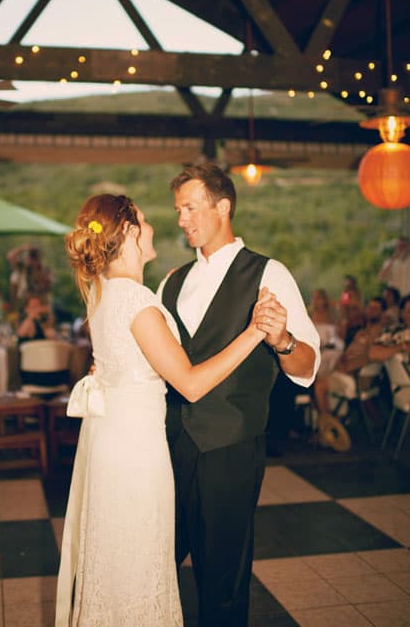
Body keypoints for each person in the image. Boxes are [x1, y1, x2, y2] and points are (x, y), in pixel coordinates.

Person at [55, 193, 280, 627]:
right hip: (136, 453)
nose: (156, 226)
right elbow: (191, 384)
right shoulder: (138, 303)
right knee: (137, 559)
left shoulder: (101, 294)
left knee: (117, 557)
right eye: (145, 219)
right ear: (131, 232)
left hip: (111, 445)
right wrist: (255, 332)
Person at [159, 162, 320, 627]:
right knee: (155, 561)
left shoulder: (269, 273)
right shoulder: (171, 281)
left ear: (223, 206)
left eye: (190, 207)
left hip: (229, 446)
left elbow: (308, 367)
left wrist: (283, 341)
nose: (181, 219)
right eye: (177, 210)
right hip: (168, 445)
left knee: (222, 576)